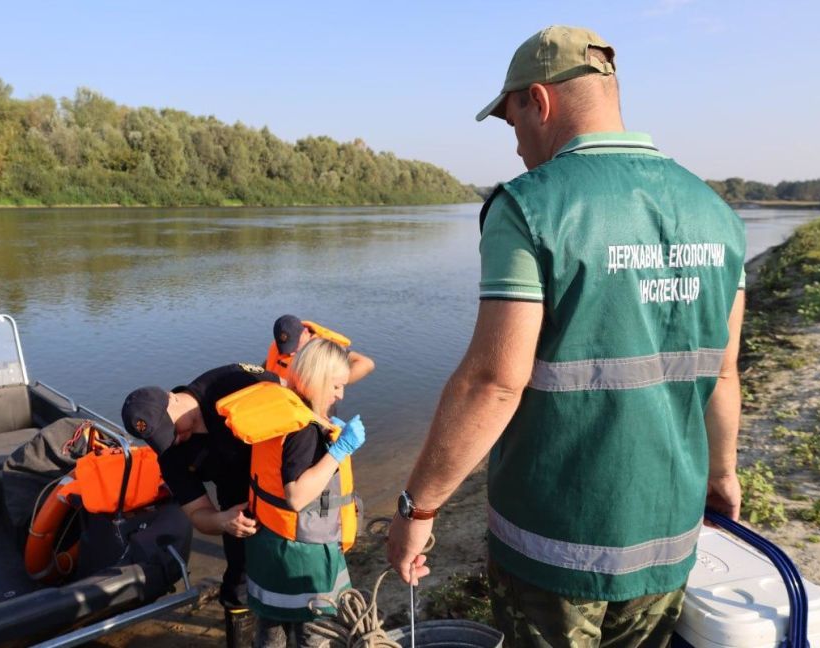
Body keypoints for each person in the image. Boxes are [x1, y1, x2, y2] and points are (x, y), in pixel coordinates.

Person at [386, 25, 747, 648]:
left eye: (512, 123)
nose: (519, 146)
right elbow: (722, 371)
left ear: (539, 101)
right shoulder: (717, 213)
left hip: (555, 554)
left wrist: (416, 510)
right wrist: (722, 475)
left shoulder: (530, 207)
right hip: (669, 539)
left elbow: (494, 382)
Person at [121, 363, 279, 648]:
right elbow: (197, 513)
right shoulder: (170, 455)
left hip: (281, 486)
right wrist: (223, 521)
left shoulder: (232, 381)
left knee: (296, 569)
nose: (173, 440)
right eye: (160, 440)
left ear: (172, 398)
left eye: (171, 430)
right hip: (237, 507)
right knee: (238, 583)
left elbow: (295, 400)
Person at [222, 338, 365, 647]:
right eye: (337, 386)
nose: (341, 394)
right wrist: (339, 450)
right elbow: (297, 496)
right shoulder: (303, 429)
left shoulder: (282, 411)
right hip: (301, 553)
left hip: (270, 544)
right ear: (317, 380)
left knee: (270, 629)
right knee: (314, 635)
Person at [265, 314, 375, 385]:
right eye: (286, 347)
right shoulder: (280, 345)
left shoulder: (322, 347)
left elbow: (366, 363)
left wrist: (334, 385)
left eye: (294, 345)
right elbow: (270, 364)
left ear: (305, 332)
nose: (291, 352)